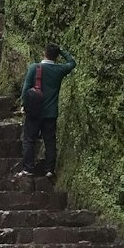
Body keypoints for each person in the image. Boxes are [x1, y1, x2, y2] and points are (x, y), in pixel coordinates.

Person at [19, 42, 76, 177]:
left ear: (44, 53)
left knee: (29, 140)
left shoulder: (35, 68)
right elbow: (72, 63)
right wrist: (61, 51)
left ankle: (28, 168)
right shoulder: (59, 70)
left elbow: (26, 88)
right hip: (50, 113)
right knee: (50, 141)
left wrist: (23, 104)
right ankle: (49, 170)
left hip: (34, 112)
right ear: (56, 57)